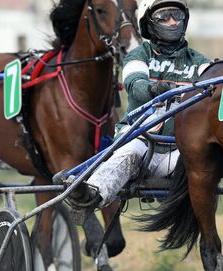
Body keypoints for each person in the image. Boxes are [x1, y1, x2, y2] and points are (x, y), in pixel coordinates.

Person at [66, 0, 210, 225]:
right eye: (164, 17)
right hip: (141, 141)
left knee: (220, 151)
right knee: (129, 152)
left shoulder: (201, 63)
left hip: (180, 150)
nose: (172, 22)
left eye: (176, 15)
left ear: (185, 20)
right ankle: (89, 195)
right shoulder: (138, 56)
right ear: (150, 24)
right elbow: (135, 85)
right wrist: (154, 88)